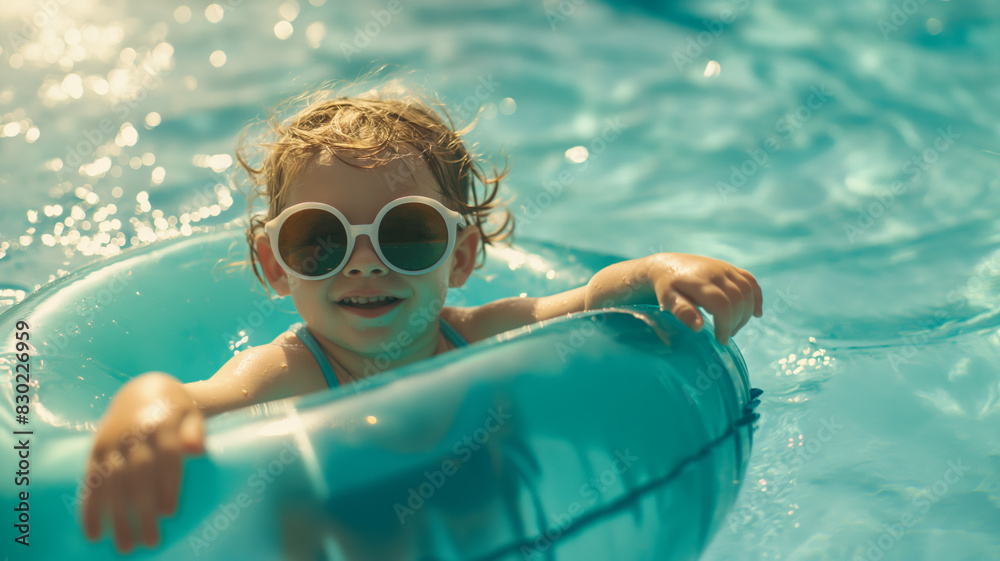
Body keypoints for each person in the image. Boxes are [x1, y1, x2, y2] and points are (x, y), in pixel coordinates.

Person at [81, 81, 763, 554]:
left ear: (461, 256)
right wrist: (146, 405)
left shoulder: (479, 338)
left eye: (406, 233)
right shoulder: (291, 375)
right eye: (320, 240)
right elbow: (193, 400)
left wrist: (658, 270)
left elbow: (589, 301)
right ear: (274, 264)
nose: (365, 263)